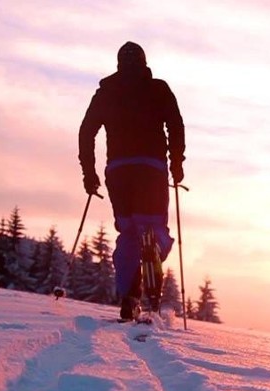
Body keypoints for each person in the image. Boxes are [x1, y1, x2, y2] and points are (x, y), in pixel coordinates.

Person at [78, 41, 185, 320]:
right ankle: (153, 257)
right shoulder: (158, 88)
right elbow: (175, 124)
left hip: (119, 170)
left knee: (128, 233)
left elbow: (86, 131)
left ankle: (130, 296)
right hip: (151, 169)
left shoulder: (106, 92)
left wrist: (89, 173)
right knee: (152, 227)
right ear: (144, 62)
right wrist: (176, 163)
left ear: (118, 65)